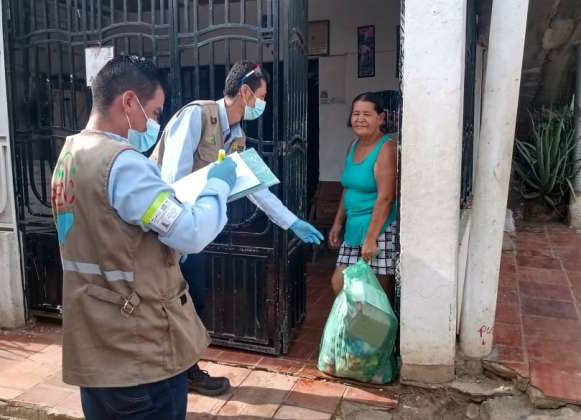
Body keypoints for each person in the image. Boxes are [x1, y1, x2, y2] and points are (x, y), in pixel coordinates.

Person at [50, 55, 238, 420]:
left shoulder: (70, 153)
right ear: (129, 101)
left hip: (96, 342)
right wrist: (218, 185)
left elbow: (110, 233)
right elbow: (193, 233)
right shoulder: (123, 164)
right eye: (154, 112)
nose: (156, 123)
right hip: (140, 351)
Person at [150, 61, 323, 396]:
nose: (263, 103)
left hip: (192, 232)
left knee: (192, 300)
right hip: (165, 229)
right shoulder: (196, 116)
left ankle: (181, 371)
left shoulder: (237, 137)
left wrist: (290, 221)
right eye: (262, 95)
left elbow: (254, 188)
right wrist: (175, 238)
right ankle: (171, 374)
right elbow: (170, 180)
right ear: (245, 92)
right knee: (171, 302)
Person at [328, 92, 398, 304]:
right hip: (353, 228)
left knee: (376, 293)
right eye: (356, 113)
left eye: (367, 114)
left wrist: (371, 238)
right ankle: (357, 332)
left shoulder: (387, 148)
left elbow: (386, 198)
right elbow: (348, 189)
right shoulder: (352, 146)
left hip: (379, 228)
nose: (359, 118)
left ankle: (380, 336)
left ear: (381, 118)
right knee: (338, 283)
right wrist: (337, 223)